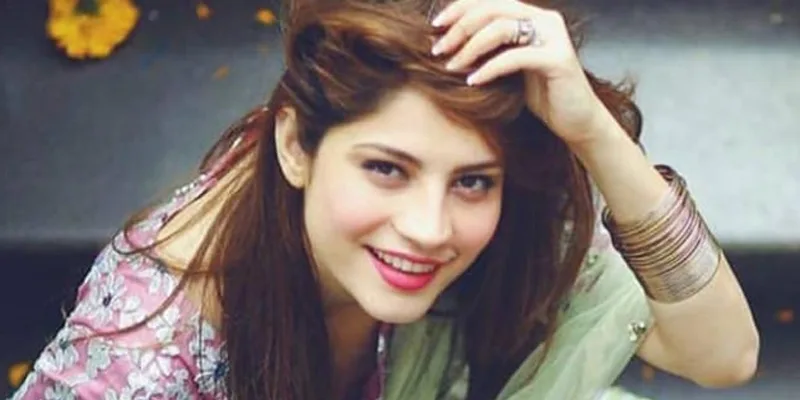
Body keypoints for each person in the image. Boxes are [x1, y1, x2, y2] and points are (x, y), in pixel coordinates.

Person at [12, 0, 759, 399]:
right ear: (295, 145)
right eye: (386, 170)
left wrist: (592, 132)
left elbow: (723, 357)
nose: (430, 229)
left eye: (472, 180)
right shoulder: (147, 351)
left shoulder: (498, 214)